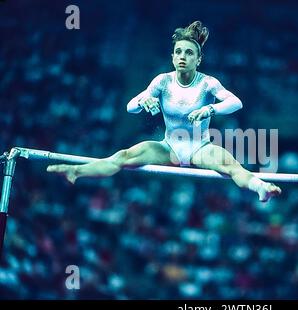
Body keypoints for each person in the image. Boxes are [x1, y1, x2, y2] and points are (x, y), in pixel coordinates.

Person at [47, 21, 281, 202]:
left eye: (189, 53)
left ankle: (261, 188)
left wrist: (210, 108)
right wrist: (145, 100)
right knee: (123, 156)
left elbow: (236, 102)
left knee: (232, 167)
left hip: (199, 148)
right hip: (167, 147)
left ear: (198, 59)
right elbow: (130, 107)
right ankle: (76, 171)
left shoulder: (208, 83)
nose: (183, 57)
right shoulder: (162, 81)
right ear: (172, 57)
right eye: (179, 52)